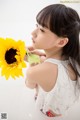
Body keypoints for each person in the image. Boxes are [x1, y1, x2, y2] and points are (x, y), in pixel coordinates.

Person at [25, 4, 80, 118]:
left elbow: (29, 85)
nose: (33, 33)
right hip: (62, 107)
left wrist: (33, 63)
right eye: (37, 25)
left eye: (41, 30)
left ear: (61, 42)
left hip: (47, 112)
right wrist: (42, 58)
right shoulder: (74, 57)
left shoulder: (35, 72)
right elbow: (57, 68)